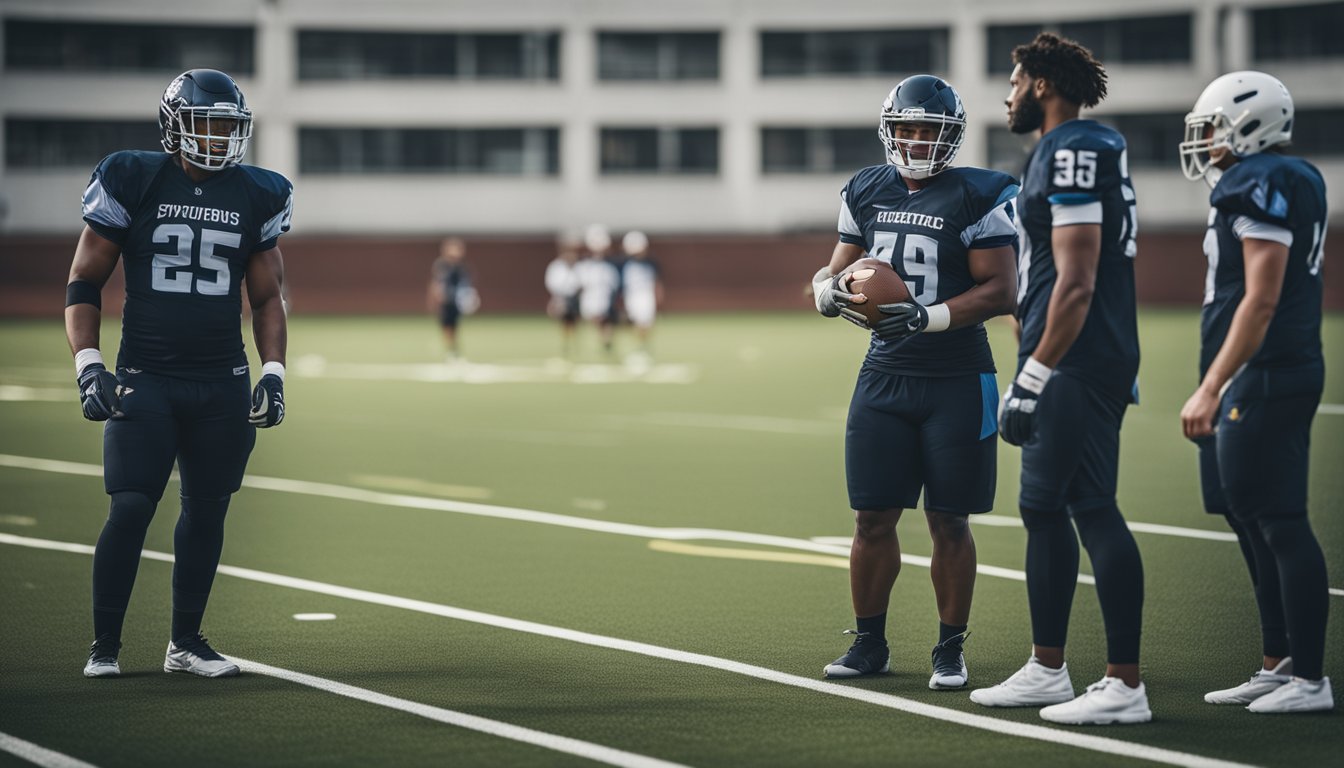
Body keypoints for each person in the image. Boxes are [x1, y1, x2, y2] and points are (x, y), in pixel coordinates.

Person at [66, 68, 292, 679]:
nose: (219, 138)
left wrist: (273, 372)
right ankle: (105, 646)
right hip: (148, 375)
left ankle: (186, 643)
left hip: (222, 381)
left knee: (208, 509)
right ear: (175, 124)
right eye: (207, 123)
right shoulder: (132, 178)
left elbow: (269, 298)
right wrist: (90, 366)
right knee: (133, 504)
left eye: (228, 126)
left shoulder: (257, 192)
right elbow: (85, 280)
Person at [811, 74, 1019, 689]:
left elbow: (1003, 290)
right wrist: (824, 289)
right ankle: (868, 643)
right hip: (885, 372)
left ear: (950, 135)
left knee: (948, 519)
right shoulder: (867, 188)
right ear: (889, 128)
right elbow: (840, 267)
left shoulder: (979, 193)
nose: (917, 139)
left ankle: (950, 648)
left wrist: (930, 316)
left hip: (958, 373)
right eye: (907, 128)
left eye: (929, 130)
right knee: (872, 516)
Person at [968, 33, 1148, 725]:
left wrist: (1037, 375)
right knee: (1057, 506)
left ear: (1042, 83)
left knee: (1080, 506)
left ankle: (1120, 683)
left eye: (1015, 82)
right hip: (1073, 354)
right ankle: (1050, 668)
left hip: (1075, 358)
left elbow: (1077, 281)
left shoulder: (1073, 148)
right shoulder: (1058, 152)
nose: (1008, 95)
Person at [1177, 71, 1332, 713]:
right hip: (1254, 370)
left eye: (1213, 129)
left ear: (1250, 125)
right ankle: (1280, 661)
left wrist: (1214, 384)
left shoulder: (1259, 181)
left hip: (1264, 370)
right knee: (1246, 517)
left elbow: (1262, 298)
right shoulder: (1283, 180)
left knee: (1279, 521)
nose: (1207, 143)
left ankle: (1311, 680)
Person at [428, 237, 478, 361]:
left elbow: (466, 285)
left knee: (455, 326)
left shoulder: (462, 268)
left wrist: (469, 299)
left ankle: (454, 350)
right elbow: (437, 283)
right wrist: (437, 297)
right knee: (446, 326)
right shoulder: (442, 265)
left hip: (456, 302)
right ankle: (451, 351)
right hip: (446, 302)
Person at [575, 224, 621, 356]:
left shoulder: (609, 266)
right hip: (590, 299)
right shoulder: (585, 265)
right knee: (596, 318)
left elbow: (614, 284)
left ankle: (605, 341)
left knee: (604, 319)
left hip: (604, 297)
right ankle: (603, 340)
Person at [620, 230, 663, 360]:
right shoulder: (624, 264)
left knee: (645, 323)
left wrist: (658, 296)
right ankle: (638, 345)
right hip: (631, 296)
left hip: (645, 296)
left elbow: (657, 282)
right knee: (631, 322)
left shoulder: (651, 263)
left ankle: (643, 346)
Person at [544, 238, 583, 359]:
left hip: (574, 298)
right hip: (562, 297)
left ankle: (573, 342)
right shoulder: (557, 266)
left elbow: (581, 282)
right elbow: (552, 283)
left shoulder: (578, 266)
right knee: (564, 320)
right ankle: (565, 343)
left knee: (574, 321)